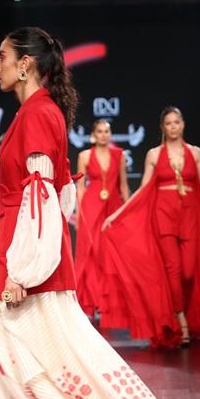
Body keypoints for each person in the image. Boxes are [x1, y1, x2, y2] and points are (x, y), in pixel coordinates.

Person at [0, 26, 183, 399]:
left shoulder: (39, 115)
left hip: (20, 262)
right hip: (14, 251)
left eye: (2, 57)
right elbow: (58, 195)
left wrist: (22, 271)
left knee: (45, 366)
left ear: (24, 65)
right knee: (23, 366)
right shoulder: (35, 113)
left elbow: (44, 197)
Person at [102, 106, 200, 348]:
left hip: (190, 216)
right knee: (173, 269)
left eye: (177, 122)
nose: (173, 127)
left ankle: (185, 313)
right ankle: (181, 320)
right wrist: (118, 213)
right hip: (163, 215)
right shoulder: (154, 154)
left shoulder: (195, 152)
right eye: (168, 123)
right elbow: (143, 189)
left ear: (183, 124)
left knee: (188, 271)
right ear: (163, 127)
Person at [74, 119, 129, 317]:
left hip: (112, 205)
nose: (103, 134)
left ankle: (108, 300)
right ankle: (92, 299)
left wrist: (127, 210)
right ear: (94, 134)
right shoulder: (84, 156)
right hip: (91, 206)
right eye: (100, 131)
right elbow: (80, 188)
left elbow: (123, 184)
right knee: (93, 252)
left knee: (110, 253)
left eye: (106, 131)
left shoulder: (119, 155)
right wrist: (79, 214)